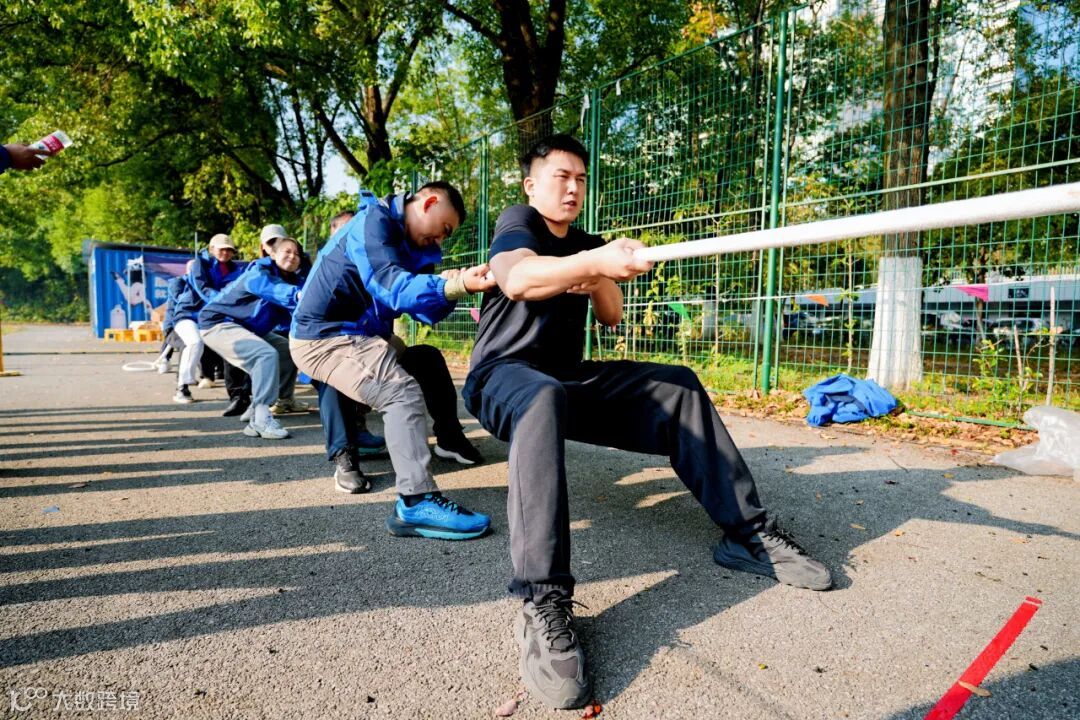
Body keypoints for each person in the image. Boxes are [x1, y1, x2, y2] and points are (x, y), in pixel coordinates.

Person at [462, 134, 832, 709]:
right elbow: (516, 279)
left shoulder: (586, 242)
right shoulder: (519, 223)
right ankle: (542, 601)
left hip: (566, 381)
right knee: (541, 396)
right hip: (503, 379)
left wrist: (600, 275)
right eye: (561, 177)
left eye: (581, 179)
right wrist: (592, 263)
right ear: (532, 184)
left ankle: (748, 534)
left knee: (676, 385)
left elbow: (610, 316)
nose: (573, 188)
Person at [290, 183, 494, 536]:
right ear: (429, 202)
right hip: (325, 339)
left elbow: (425, 312)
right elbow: (390, 285)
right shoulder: (374, 222)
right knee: (400, 392)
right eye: (444, 229)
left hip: (367, 337)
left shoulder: (411, 243)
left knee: (425, 358)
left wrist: (450, 286)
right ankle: (415, 502)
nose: (441, 240)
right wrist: (455, 285)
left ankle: (449, 438)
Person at [199, 230, 307, 439]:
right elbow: (272, 289)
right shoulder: (258, 271)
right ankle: (260, 419)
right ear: (272, 254)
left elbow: (298, 317)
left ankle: (271, 403)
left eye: (297, 254)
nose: (292, 256)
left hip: (247, 328)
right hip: (219, 323)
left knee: (287, 350)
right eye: (287, 251)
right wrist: (299, 295)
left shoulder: (293, 281)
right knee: (265, 354)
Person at [170, 234, 243, 404]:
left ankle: (240, 392)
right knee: (194, 342)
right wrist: (225, 301)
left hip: (213, 316)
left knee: (235, 342)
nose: (225, 252)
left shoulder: (235, 270)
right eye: (221, 249)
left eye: (229, 250)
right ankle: (182, 387)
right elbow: (203, 289)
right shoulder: (199, 264)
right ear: (211, 249)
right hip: (188, 314)